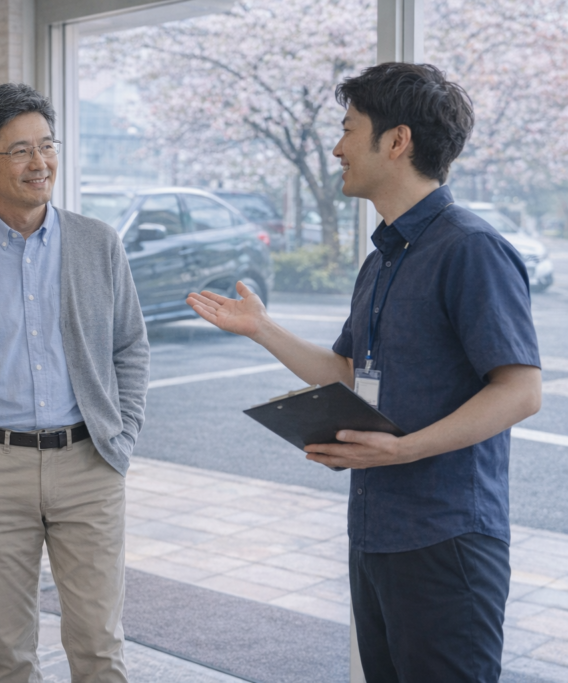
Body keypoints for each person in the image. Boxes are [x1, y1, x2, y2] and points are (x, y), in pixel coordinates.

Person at [188, 63, 541, 682]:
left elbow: (520, 391)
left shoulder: (469, 248)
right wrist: (262, 328)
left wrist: (403, 450)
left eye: (349, 129)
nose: (336, 147)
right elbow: (351, 371)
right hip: (377, 530)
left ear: (397, 141)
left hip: (448, 538)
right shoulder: (383, 258)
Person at [0, 83, 149, 683]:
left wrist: (121, 438)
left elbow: (129, 346)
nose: (40, 163)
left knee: (99, 643)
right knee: (8, 651)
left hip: (89, 463)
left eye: (47, 146)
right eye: (19, 151)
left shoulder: (98, 242)